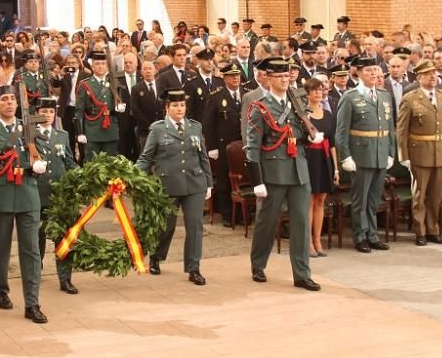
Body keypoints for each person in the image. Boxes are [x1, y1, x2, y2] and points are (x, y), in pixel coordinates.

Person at [0, 85, 47, 323]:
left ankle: (32, 303)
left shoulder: (29, 127)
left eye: (13, 99)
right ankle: (0, 289)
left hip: (27, 194)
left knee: (32, 251)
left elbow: (38, 156)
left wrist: (38, 168)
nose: (9, 103)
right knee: (0, 247)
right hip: (1, 195)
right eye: (4, 99)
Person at [246, 58, 322, 290]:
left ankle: (302, 274)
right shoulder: (260, 107)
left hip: (299, 170)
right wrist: (257, 180)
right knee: (267, 223)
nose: (285, 79)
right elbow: (252, 146)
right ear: (269, 78)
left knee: (300, 223)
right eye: (279, 76)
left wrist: (311, 137)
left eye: (287, 75)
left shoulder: (297, 103)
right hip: (274, 172)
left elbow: (299, 134)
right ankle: (258, 264)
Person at [137, 88, 213, 285]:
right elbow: (146, 157)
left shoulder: (195, 127)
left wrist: (209, 183)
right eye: (176, 105)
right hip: (167, 184)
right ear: (167, 108)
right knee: (166, 226)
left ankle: (193, 267)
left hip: (194, 183)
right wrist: (132, 176)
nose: (180, 109)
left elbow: (202, 156)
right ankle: (156, 256)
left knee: (195, 226)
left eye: (182, 105)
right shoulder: (158, 129)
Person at [335, 57, 396, 253]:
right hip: (360, 154)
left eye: (375, 70)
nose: (373, 74)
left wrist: (391, 152)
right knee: (360, 199)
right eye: (368, 70)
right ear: (359, 73)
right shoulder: (350, 97)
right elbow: (341, 131)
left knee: (374, 198)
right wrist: (345, 157)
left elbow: (390, 127)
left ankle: (372, 234)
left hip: (380, 152)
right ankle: (360, 236)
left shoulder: (384, 95)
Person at [397, 60, 442, 246]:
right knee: (420, 195)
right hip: (420, 153)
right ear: (419, 77)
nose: (433, 77)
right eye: (428, 74)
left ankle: (433, 230)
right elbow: (402, 130)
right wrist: (403, 155)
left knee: (436, 195)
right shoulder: (410, 98)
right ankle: (420, 231)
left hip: (440, 152)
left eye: (434, 73)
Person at [34, 97, 78, 294]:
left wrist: (81, 176)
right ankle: (35, 269)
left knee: (62, 237)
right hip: (37, 194)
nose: (48, 116)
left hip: (59, 195)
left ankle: (65, 278)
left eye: (51, 112)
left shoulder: (62, 135)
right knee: (37, 236)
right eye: (44, 112)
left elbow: (69, 162)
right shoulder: (30, 136)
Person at [203, 63, 244, 227]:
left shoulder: (245, 94)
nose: (235, 79)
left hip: (241, 146)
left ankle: (241, 214)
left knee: (241, 179)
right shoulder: (216, 96)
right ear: (225, 78)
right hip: (223, 145)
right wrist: (212, 147)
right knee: (224, 181)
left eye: (238, 76)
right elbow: (208, 123)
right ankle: (227, 214)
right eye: (232, 76)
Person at [302, 78, 337, 256]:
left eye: (320, 89)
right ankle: (307, 241)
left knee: (320, 201)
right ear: (307, 93)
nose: (318, 93)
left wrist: (336, 168)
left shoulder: (329, 115)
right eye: (314, 90)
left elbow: (332, 143)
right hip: (309, 159)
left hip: (324, 159)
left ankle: (317, 239)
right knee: (308, 201)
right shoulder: (303, 115)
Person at [75, 50, 125, 159]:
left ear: (107, 66)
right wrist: (80, 132)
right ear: (92, 66)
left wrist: (120, 107)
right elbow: (79, 111)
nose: (100, 67)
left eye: (103, 64)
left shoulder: (114, 83)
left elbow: (119, 101)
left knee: (111, 163)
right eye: (97, 64)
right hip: (93, 130)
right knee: (92, 165)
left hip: (110, 129)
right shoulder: (85, 85)